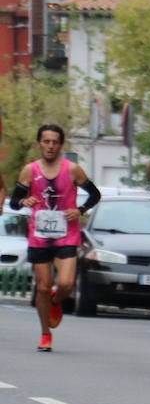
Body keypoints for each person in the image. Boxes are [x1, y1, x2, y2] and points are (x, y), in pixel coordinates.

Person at [9, 125, 101, 352]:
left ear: (61, 145)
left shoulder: (72, 170)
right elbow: (13, 202)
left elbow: (95, 194)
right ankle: (45, 334)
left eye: (54, 142)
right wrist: (24, 201)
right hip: (39, 237)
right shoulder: (29, 171)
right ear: (39, 143)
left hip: (66, 235)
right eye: (46, 141)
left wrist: (80, 210)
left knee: (66, 283)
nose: (50, 146)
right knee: (42, 287)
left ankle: (56, 301)